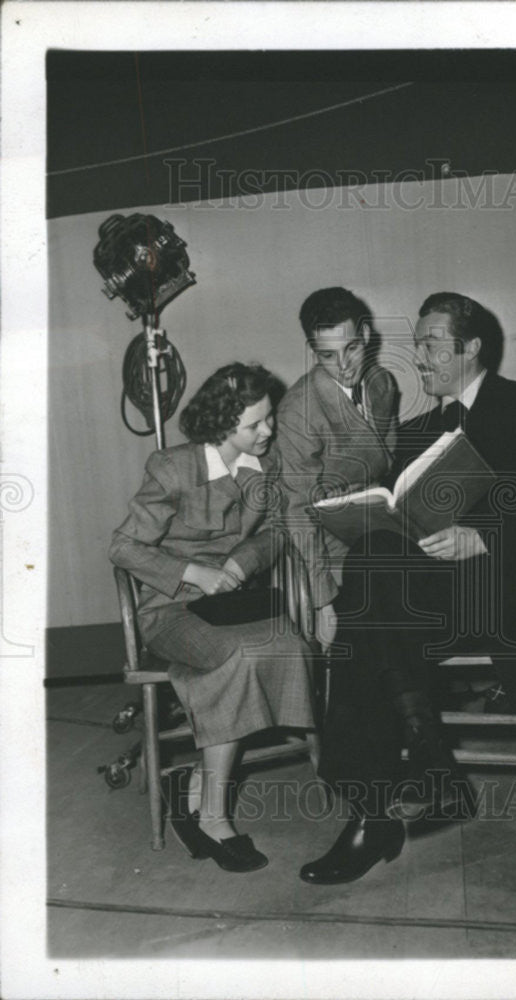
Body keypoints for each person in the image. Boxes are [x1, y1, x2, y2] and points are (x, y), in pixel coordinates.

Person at [300, 292, 516, 885]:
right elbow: (398, 516)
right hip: (426, 600)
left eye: (430, 344)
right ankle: (415, 779)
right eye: (417, 344)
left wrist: (485, 537)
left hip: (500, 595)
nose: (418, 357)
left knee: (366, 617)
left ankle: (390, 800)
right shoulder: (417, 429)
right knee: (370, 570)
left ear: (471, 348)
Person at [110, 363, 316, 873]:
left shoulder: (261, 466)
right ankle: (213, 816)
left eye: (268, 419)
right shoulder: (172, 467)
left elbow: (273, 532)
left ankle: (197, 782)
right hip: (171, 607)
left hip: (230, 602)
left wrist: (240, 563)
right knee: (237, 658)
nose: (268, 431)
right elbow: (123, 546)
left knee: (289, 642)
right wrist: (193, 572)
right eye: (256, 425)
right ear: (224, 426)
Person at [275, 287, 399, 651]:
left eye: (352, 349)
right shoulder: (299, 409)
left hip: (379, 525)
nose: (343, 366)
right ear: (313, 351)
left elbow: (386, 463)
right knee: (390, 585)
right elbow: (296, 511)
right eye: (327, 356)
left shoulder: (382, 384)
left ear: (365, 337)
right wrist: (322, 601)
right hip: (328, 543)